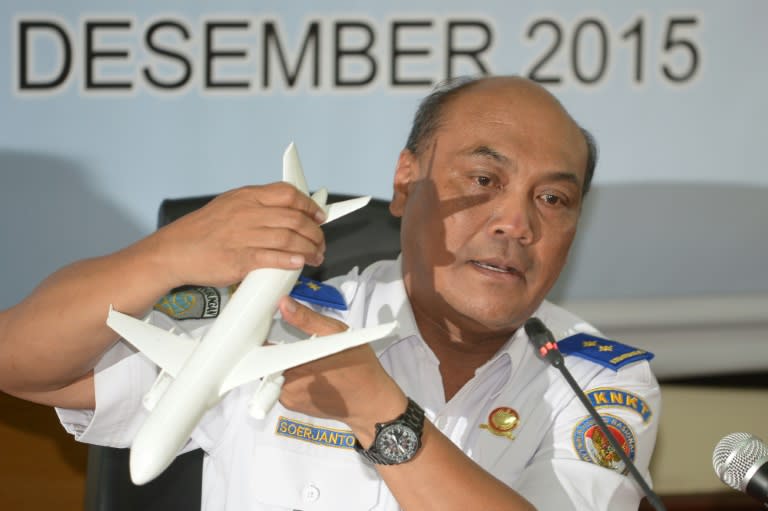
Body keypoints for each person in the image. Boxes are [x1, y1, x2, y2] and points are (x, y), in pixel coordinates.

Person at [0, 76, 660, 510]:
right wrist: (169, 252)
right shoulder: (279, 317)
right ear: (406, 182)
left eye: (553, 198)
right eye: (484, 179)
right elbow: (19, 359)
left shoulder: (595, 378)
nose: (516, 223)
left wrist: (383, 414)